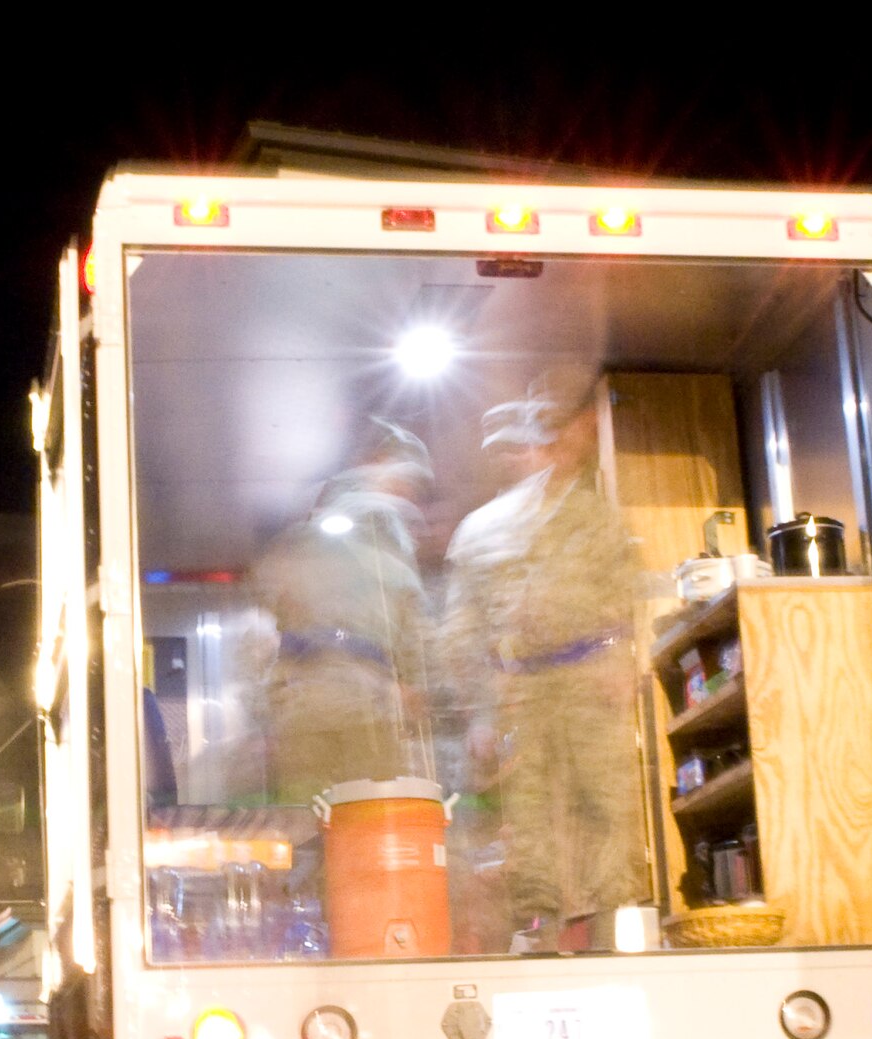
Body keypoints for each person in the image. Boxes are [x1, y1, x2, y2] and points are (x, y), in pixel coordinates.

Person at [441, 365, 646, 950]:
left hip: (588, 676)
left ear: (547, 446)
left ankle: (615, 928)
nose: (516, 458)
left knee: (607, 804)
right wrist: (479, 712)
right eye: (503, 450)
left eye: (525, 444)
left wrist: (625, 663)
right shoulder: (478, 532)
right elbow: (461, 630)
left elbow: (627, 596)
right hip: (519, 690)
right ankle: (538, 930)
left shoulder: (596, 515)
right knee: (526, 817)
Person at [252, 418, 433, 805]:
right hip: (366, 706)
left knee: (307, 818)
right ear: (383, 465)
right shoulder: (391, 537)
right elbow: (415, 631)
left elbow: (267, 622)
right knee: (370, 820)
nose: (409, 494)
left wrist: (269, 706)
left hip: (304, 705)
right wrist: (415, 684)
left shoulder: (304, 532)